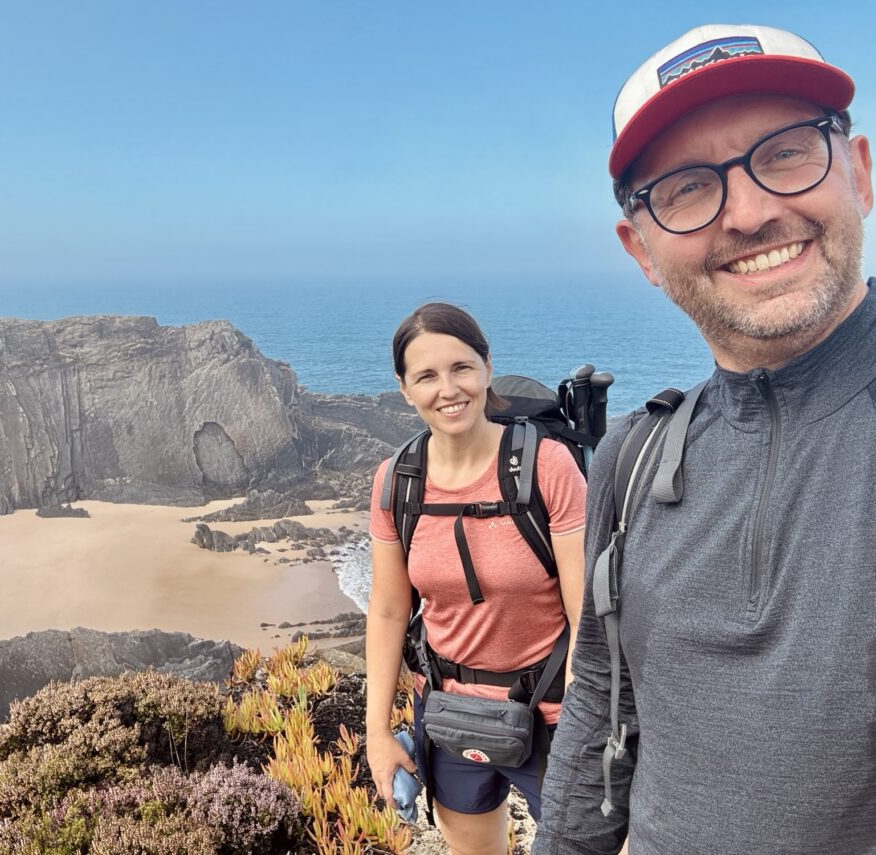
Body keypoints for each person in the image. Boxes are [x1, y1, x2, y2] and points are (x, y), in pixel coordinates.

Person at [535, 24, 876, 855]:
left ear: (860, 172)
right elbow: (602, 700)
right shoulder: (633, 457)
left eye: (787, 152)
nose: (751, 212)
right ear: (642, 251)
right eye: (688, 187)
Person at [366, 302, 586, 855]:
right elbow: (389, 610)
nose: (448, 389)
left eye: (461, 367)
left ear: (488, 368)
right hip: (449, 714)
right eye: (426, 376)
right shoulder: (397, 482)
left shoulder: (548, 467)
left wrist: (586, 725)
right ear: (404, 389)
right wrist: (377, 736)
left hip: (553, 714)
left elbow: (586, 614)